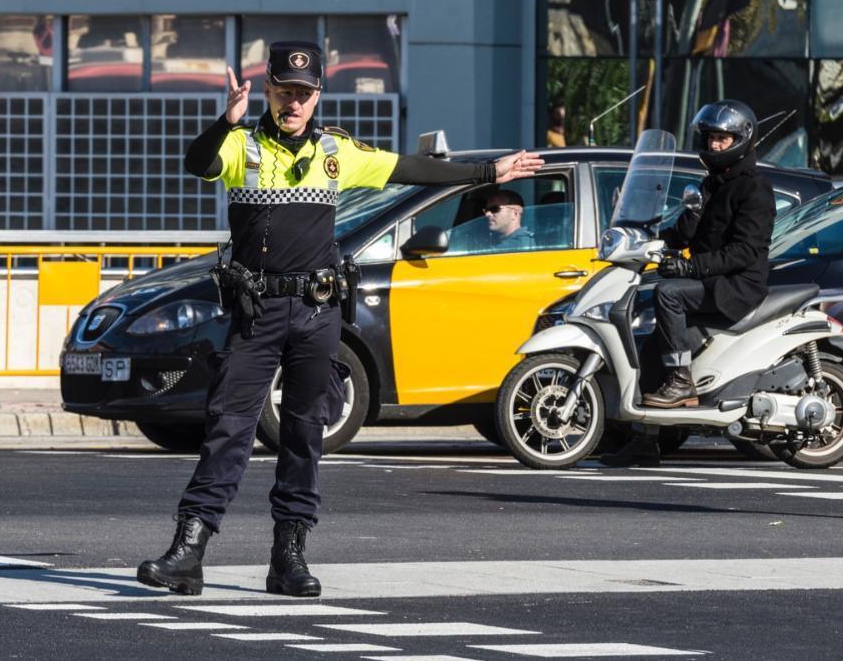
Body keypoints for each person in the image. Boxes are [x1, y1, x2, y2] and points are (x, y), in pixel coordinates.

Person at [137, 41, 544, 597]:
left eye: (303, 94)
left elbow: (410, 169)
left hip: (316, 310)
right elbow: (198, 163)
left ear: (318, 96)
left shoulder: (337, 152)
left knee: (306, 432)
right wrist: (224, 119)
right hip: (257, 312)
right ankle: (189, 550)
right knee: (228, 428)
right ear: (270, 92)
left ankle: (289, 556)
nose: (293, 104)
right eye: (284, 92)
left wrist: (487, 170)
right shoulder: (243, 147)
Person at [601, 99, 775, 468]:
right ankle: (645, 441)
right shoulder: (712, 184)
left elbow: (744, 251)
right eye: (711, 138)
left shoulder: (754, 189)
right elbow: (684, 233)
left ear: (741, 139)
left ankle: (682, 381)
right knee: (648, 350)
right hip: (710, 280)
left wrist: (689, 268)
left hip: (736, 286)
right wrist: (643, 238)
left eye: (723, 139)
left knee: (668, 293)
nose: (714, 145)